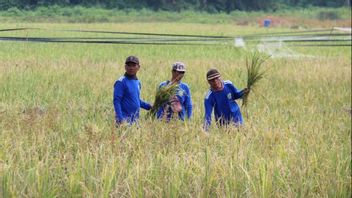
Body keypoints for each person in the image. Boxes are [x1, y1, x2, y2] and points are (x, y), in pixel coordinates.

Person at [113, 55, 151, 126]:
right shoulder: (121, 82)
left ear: (138, 67)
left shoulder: (137, 82)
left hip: (135, 121)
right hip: (124, 121)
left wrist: (149, 107)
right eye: (129, 65)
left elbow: (136, 100)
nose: (131, 68)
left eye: (134, 65)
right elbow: (116, 101)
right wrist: (121, 120)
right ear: (125, 67)